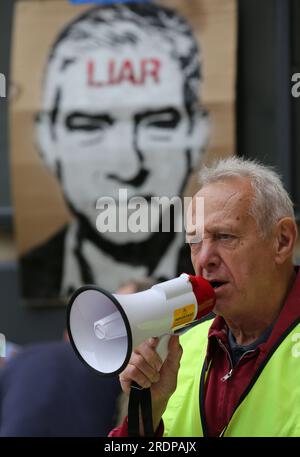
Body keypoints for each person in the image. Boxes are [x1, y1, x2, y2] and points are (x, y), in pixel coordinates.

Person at [20, 3, 209, 304]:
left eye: (158, 123)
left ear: (198, 133)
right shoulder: (38, 267)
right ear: (46, 140)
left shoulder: (223, 284)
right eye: (89, 127)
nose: (128, 166)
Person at [110, 156, 300, 437]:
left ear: (282, 241)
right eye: (194, 242)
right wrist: (145, 415)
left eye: (225, 236)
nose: (205, 259)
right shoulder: (181, 347)